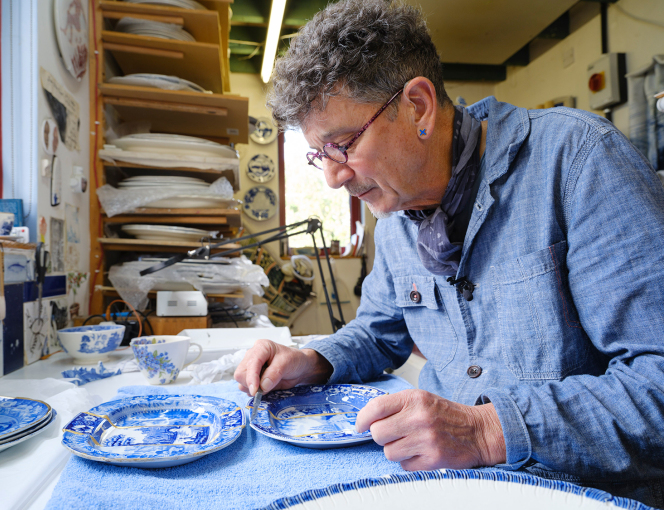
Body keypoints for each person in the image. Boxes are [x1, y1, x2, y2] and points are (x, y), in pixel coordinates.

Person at [235, 0, 664, 505]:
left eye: (343, 144)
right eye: (319, 156)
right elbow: (378, 333)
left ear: (417, 105)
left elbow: (656, 381)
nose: (332, 177)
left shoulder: (579, 161)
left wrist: (485, 430)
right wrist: (312, 361)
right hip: (452, 485)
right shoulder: (394, 213)